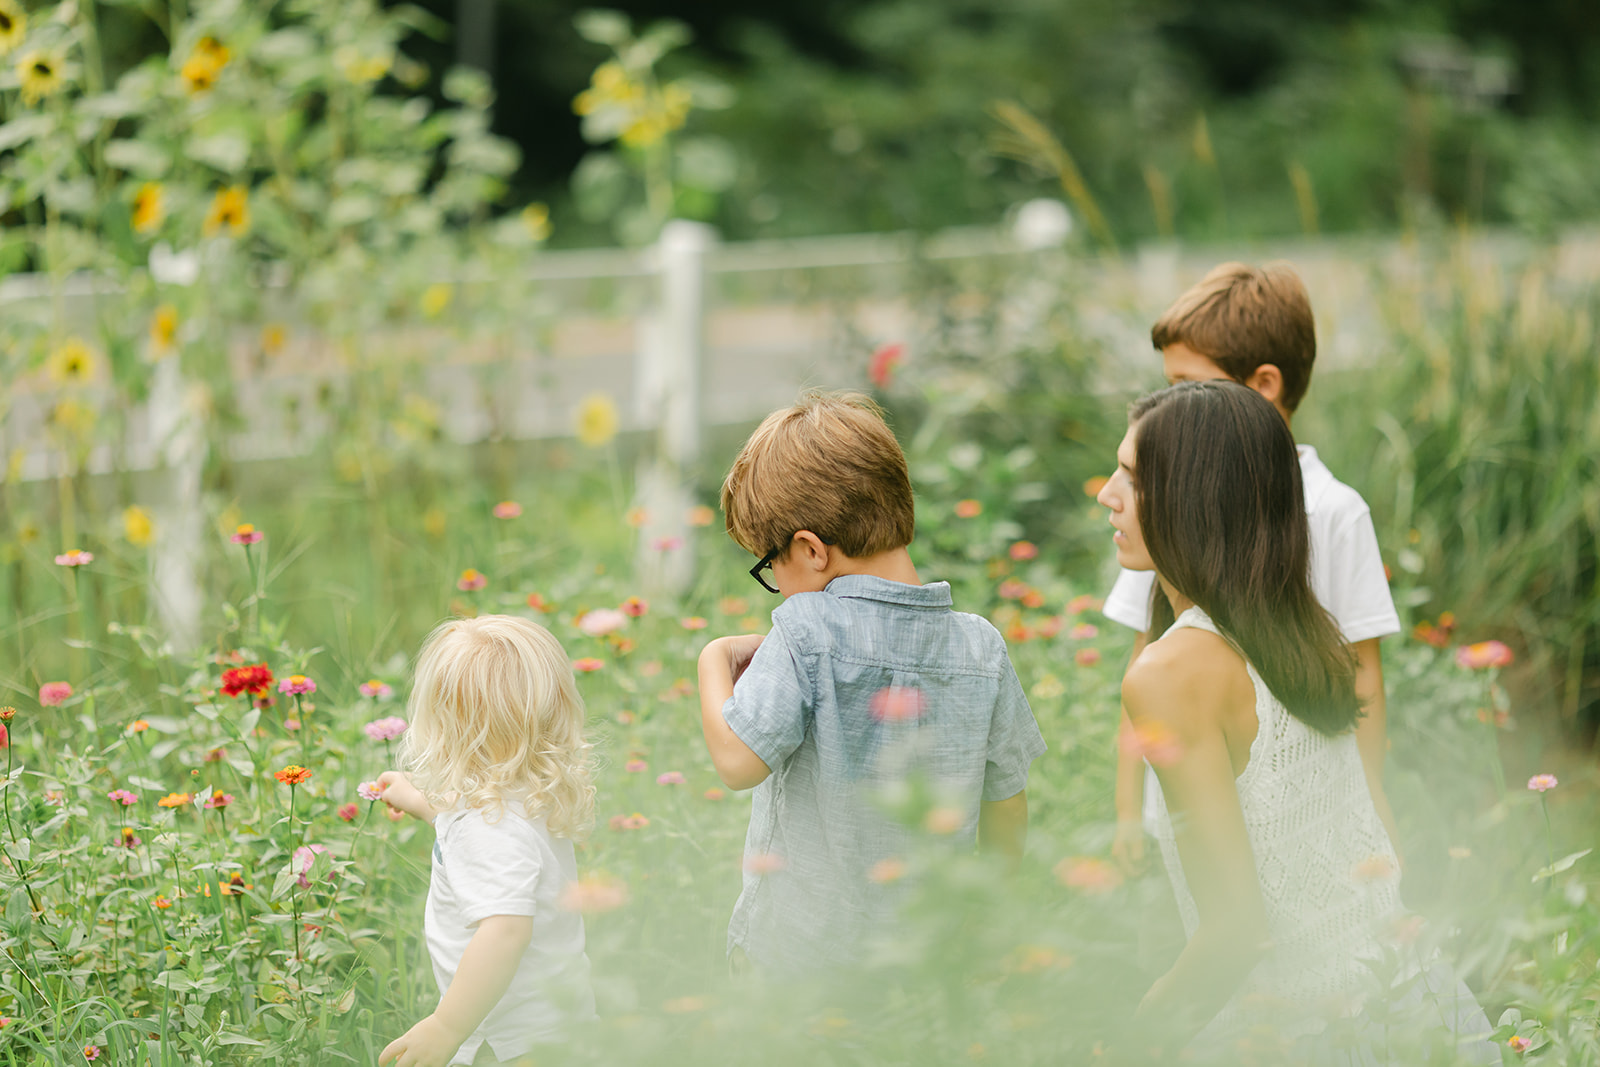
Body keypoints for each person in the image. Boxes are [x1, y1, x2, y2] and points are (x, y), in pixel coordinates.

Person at [1096, 381, 1494, 1061]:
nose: (1107, 492)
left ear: (1196, 499)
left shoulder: (1170, 674)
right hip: (1416, 1003)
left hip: (1312, 1033)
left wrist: (1131, 1039)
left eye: (1133, 477)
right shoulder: (1296, 626)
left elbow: (1235, 930)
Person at [696, 391, 1047, 973]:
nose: (775, 585)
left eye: (768, 566)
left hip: (801, 965)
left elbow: (737, 762)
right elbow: (1007, 803)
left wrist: (713, 660)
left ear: (809, 550)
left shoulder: (805, 629)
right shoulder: (980, 646)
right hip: (928, 963)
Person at [1106, 262, 1402, 874]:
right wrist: (1128, 812)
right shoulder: (1160, 506)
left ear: (1263, 383)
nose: (1170, 404)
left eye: (1188, 382)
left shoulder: (1335, 511)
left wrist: (1370, 808)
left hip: (1292, 808)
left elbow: (1362, 676)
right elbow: (1144, 655)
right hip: (1192, 792)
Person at [376, 615, 597, 1067]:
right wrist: (418, 799)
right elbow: (469, 824)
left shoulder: (485, 829)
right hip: (555, 1023)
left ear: (446, 727)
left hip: (510, 1043)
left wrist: (447, 1027)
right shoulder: (522, 796)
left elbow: (505, 931)